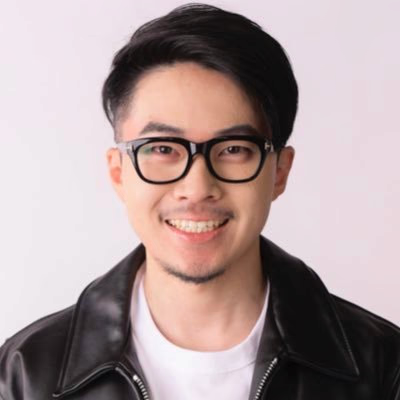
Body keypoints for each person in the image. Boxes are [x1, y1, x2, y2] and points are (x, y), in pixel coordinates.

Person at [0, 3, 399, 399]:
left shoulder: (383, 367)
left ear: (279, 171)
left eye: (233, 149)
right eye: (162, 149)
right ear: (119, 172)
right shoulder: (25, 374)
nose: (196, 188)